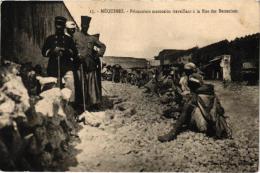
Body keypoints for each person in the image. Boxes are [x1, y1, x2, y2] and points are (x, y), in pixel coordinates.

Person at [74, 16, 106, 111]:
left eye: (87, 25)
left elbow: (103, 46)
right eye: (83, 25)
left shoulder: (92, 38)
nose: (85, 27)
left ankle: (93, 104)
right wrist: (76, 55)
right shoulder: (75, 36)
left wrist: (97, 55)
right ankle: (80, 105)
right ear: (81, 25)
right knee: (81, 85)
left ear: (88, 26)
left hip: (90, 65)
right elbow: (71, 47)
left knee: (91, 86)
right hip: (79, 65)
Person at [42, 16, 78, 89]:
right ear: (55, 25)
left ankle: (70, 100)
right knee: (54, 89)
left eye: (61, 25)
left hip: (66, 67)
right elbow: (44, 52)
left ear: (64, 26)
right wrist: (53, 51)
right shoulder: (50, 39)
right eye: (57, 24)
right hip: (53, 67)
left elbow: (75, 53)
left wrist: (65, 50)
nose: (59, 27)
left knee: (70, 87)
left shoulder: (69, 39)